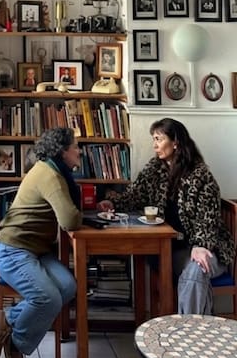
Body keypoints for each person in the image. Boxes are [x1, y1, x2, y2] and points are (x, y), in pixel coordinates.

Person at [98, 119, 235, 314]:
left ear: (175, 142)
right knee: (184, 269)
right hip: (170, 248)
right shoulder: (155, 169)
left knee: (197, 270)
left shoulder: (200, 176)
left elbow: (208, 219)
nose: (154, 145)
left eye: (158, 139)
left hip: (207, 247)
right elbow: (134, 195)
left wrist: (201, 246)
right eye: (153, 139)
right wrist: (113, 203)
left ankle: (188, 332)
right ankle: (198, 328)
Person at [0, 128, 82, 358]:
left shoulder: (53, 170)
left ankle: (8, 318)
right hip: (13, 250)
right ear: (63, 151)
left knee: (68, 287)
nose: (79, 151)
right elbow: (70, 220)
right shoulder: (49, 175)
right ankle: (15, 343)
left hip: (36, 250)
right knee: (48, 298)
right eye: (75, 146)